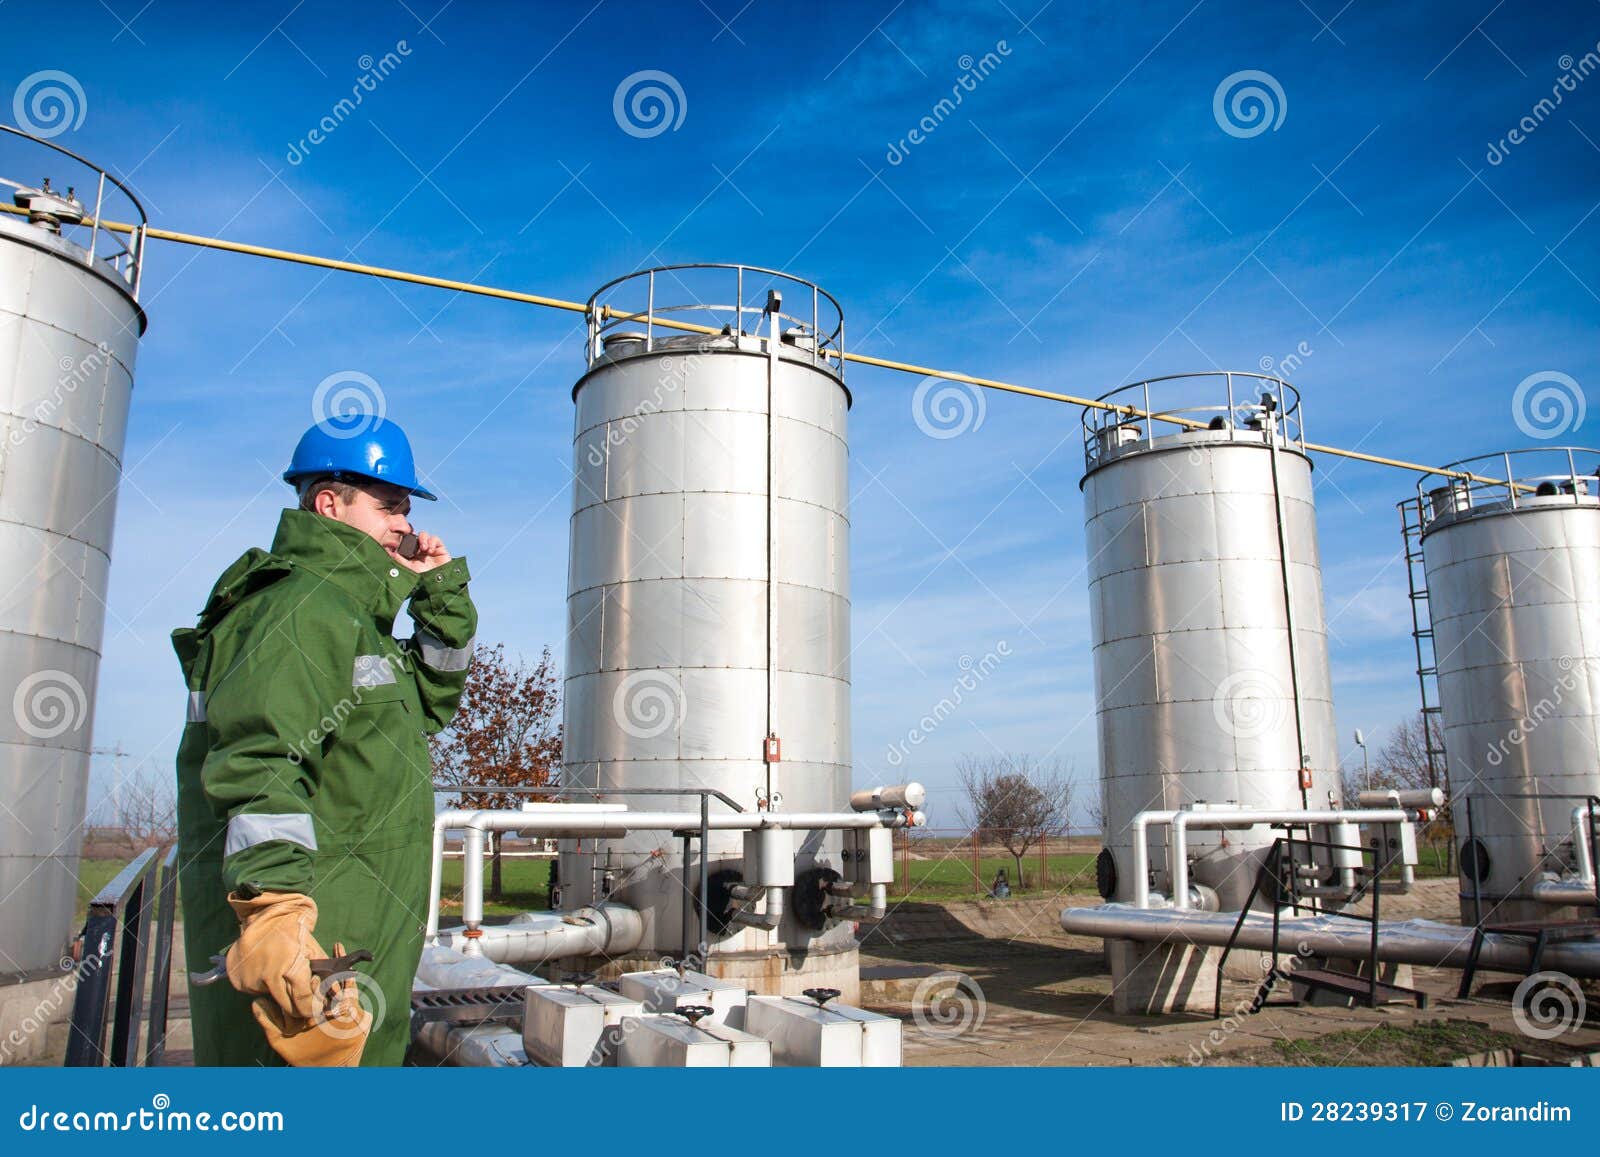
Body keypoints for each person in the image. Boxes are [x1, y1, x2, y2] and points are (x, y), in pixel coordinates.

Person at [172, 414, 475, 1065]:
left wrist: (439, 590)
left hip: (360, 935)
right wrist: (275, 910)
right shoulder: (299, 607)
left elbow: (432, 701)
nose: (406, 524)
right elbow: (261, 763)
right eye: (389, 506)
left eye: (407, 508)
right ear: (329, 504)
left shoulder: (356, 620)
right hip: (318, 942)